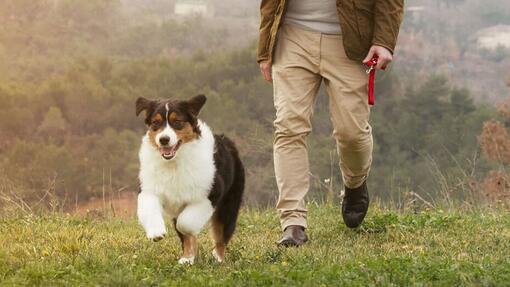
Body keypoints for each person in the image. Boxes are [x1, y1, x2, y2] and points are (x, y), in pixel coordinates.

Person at [257, 0, 404, 246]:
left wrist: (384, 41)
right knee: (288, 128)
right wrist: (265, 49)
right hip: (292, 37)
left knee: (352, 133)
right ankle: (293, 222)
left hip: (351, 42)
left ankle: (355, 184)